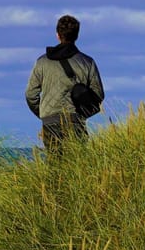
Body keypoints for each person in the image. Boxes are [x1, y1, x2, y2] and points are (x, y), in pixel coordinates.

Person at [25, 14, 104, 155]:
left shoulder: (42, 62)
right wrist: (83, 114)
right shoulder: (87, 62)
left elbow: (30, 94)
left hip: (50, 121)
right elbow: (98, 95)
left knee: (55, 165)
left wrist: (44, 113)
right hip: (76, 120)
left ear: (57, 35)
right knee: (76, 167)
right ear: (77, 36)